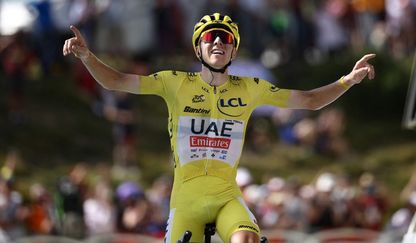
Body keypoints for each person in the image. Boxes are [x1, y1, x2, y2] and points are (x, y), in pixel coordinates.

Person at [63, 12, 375, 243]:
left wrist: (348, 80)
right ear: (198, 49)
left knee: (248, 240)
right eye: (209, 37)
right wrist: (87, 56)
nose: (216, 42)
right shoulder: (174, 82)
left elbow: (308, 101)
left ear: (233, 51)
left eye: (224, 38)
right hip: (186, 200)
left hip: (227, 196)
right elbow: (115, 81)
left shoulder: (250, 87)